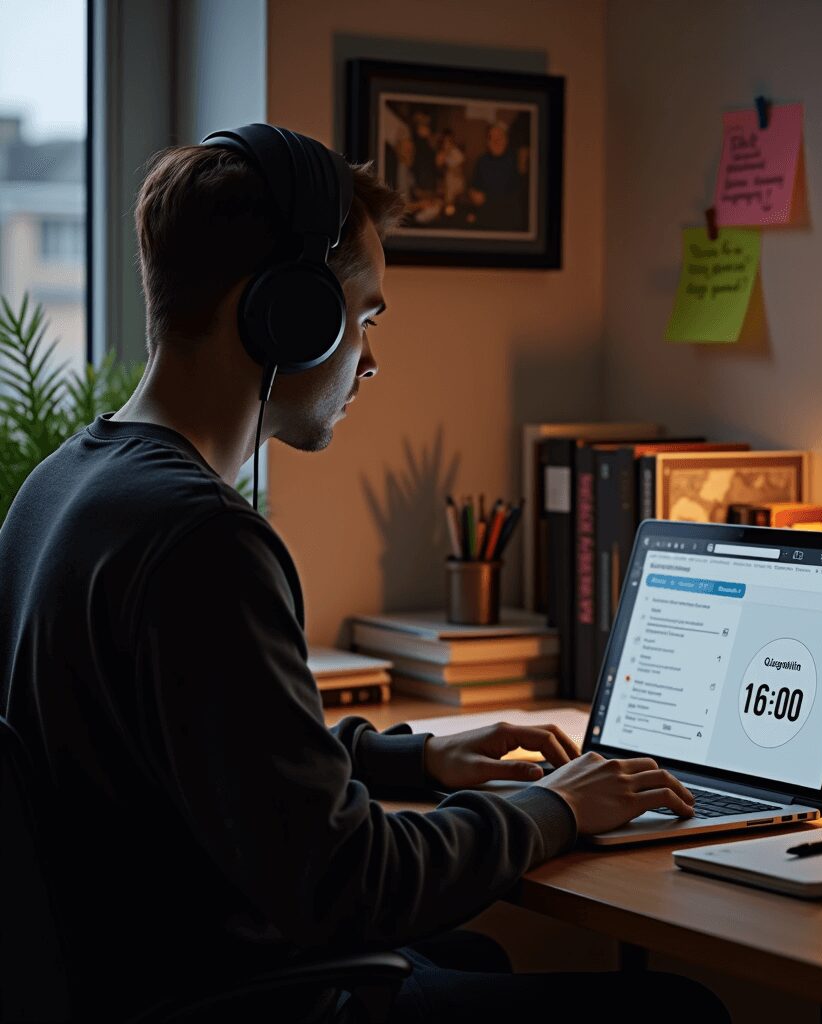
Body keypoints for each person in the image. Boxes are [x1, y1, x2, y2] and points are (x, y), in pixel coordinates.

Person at [0, 125, 730, 1024]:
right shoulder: (201, 539)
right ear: (288, 316)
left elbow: (203, 750)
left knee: (474, 953)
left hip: (144, 971)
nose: (372, 357)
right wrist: (556, 809)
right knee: (678, 1011)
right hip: (239, 998)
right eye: (366, 316)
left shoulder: (65, 485)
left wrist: (413, 756)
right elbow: (348, 883)